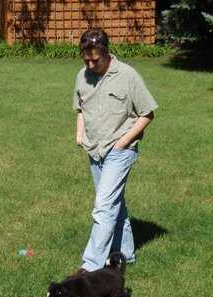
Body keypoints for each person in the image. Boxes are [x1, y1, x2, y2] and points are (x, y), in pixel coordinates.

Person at [73, 28, 158, 272]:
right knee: (114, 205)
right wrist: (79, 134)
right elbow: (80, 107)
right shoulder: (82, 76)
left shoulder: (128, 75)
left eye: (95, 59)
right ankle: (126, 255)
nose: (90, 64)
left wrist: (123, 142)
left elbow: (147, 113)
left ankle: (89, 267)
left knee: (102, 207)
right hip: (94, 149)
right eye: (85, 59)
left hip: (120, 150)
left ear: (106, 53)